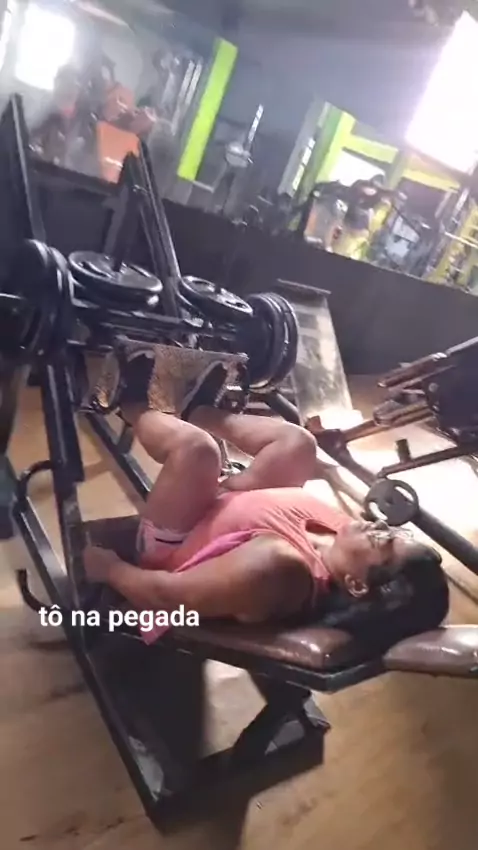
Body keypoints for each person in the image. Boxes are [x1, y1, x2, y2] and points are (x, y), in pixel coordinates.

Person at [84, 366, 449, 647]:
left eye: (382, 542)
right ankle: (195, 406)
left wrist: (110, 570)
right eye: (391, 530)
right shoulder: (343, 541)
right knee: (298, 444)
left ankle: (128, 400)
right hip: (229, 505)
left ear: (355, 584)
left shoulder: (281, 574)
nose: (379, 527)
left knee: (198, 451)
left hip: (178, 541)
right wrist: (331, 470)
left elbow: (167, 597)